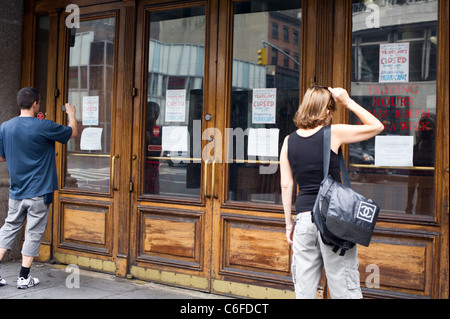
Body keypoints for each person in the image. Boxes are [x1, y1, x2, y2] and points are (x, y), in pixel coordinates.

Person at [280, 86, 383, 299]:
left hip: (304, 220)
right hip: (333, 220)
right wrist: (347, 101)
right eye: (331, 109)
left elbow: (286, 185)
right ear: (326, 111)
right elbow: (376, 126)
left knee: (304, 289)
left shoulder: (289, 141)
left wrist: (289, 223)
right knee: (343, 287)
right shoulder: (332, 133)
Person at [0, 87, 77, 289]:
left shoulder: (5, 127)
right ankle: (23, 277)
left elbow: (0, 156)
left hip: (16, 190)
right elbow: (72, 132)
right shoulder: (44, 126)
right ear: (36, 103)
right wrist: (71, 114)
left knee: (8, 229)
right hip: (39, 192)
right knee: (33, 233)